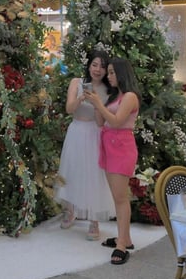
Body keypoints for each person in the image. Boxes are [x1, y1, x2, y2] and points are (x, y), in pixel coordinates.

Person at [84, 57, 140, 265]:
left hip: (121, 147)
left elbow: (117, 122)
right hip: (109, 146)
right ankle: (125, 238)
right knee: (117, 196)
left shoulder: (130, 97)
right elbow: (101, 122)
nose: (109, 76)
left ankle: (122, 246)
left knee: (120, 198)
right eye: (108, 72)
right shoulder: (115, 97)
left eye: (112, 72)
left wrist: (99, 103)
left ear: (122, 73)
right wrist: (96, 104)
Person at [56, 50, 114, 241]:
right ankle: (70, 210)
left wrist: (97, 102)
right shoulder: (76, 82)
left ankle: (94, 220)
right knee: (72, 171)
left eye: (102, 66)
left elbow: (100, 122)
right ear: (89, 65)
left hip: (94, 134)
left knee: (93, 174)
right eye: (95, 64)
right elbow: (69, 109)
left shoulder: (107, 90)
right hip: (76, 131)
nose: (98, 69)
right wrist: (82, 97)